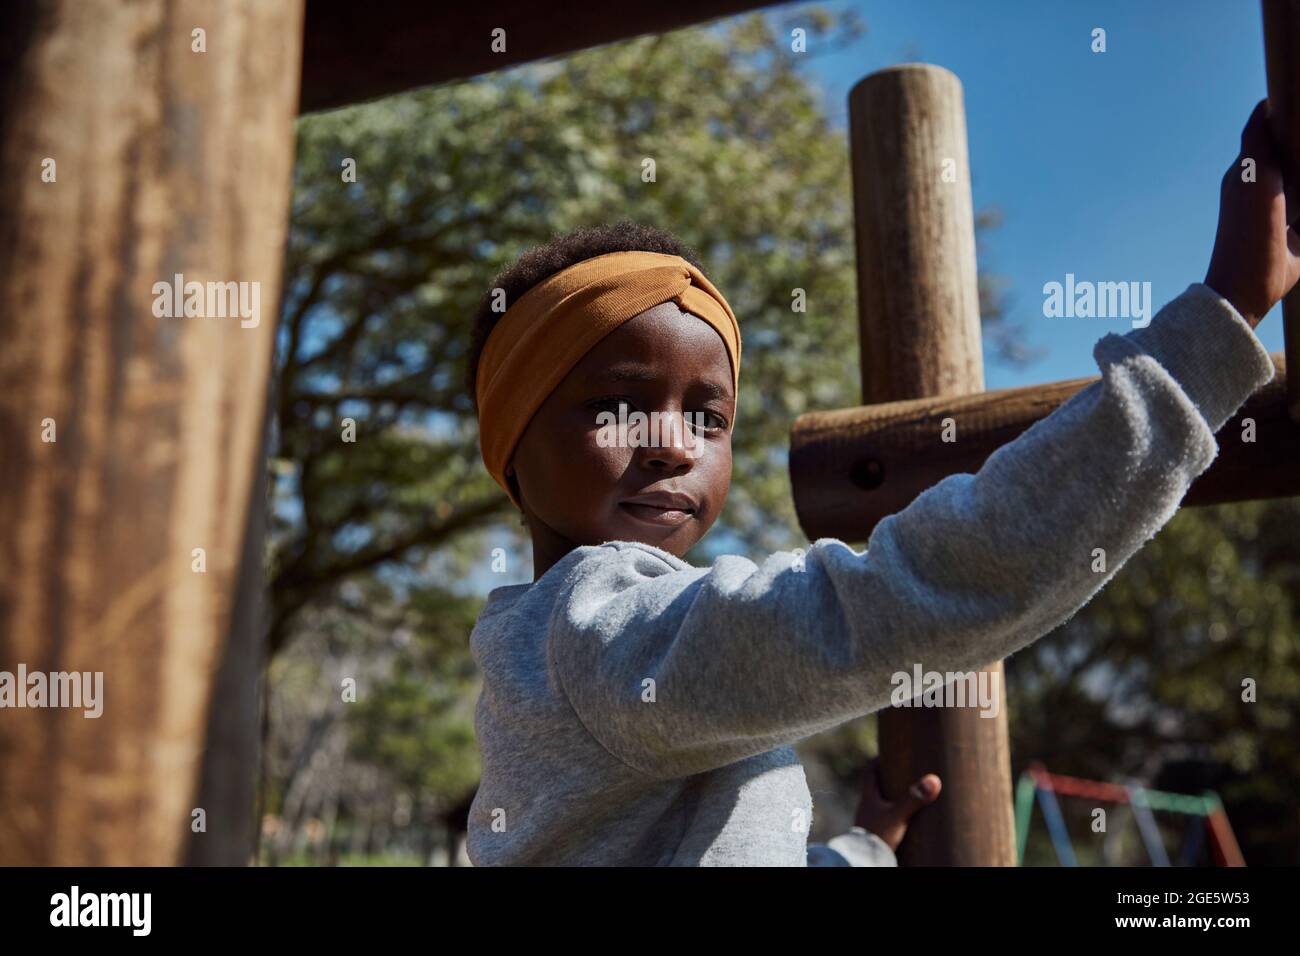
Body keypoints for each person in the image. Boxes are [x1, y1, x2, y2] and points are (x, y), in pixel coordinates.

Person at [463, 100, 1298, 865]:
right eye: (614, 405)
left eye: (708, 419)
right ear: (512, 444)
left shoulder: (551, 658)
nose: (673, 447)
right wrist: (1214, 331)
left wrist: (854, 851)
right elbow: (900, 599)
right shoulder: (601, 628)